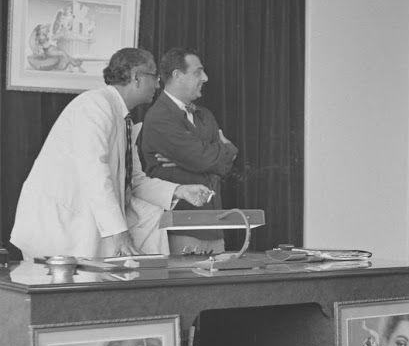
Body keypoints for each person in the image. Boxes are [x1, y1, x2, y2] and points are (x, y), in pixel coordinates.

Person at [10, 47, 213, 259]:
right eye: (154, 77)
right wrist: (119, 233)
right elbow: (95, 175)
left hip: (77, 232)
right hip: (56, 231)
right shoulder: (94, 106)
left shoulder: (123, 118)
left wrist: (180, 190)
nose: (158, 84)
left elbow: (134, 182)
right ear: (137, 77)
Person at [139, 48, 238, 255]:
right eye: (197, 72)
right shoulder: (159, 117)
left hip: (214, 229)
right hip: (180, 230)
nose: (205, 78)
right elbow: (204, 160)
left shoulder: (205, 115)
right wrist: (228, 149)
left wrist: (198, 158)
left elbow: (217, 165)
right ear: (177, 75)